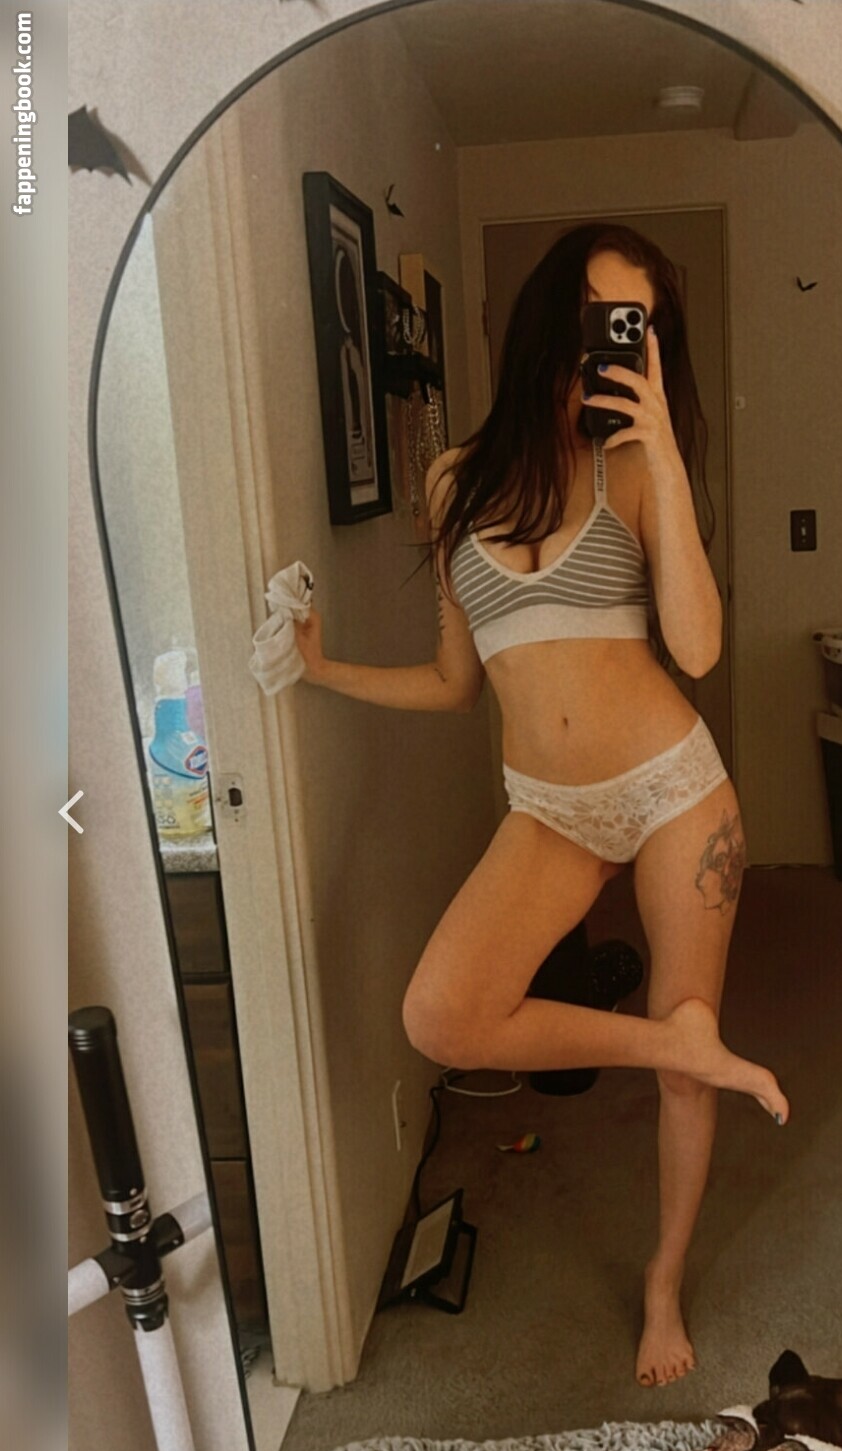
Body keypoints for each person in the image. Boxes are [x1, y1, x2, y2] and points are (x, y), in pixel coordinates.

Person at [296, 222, 789, 1389]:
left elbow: (698, 650)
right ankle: (672, 1041)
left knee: (685, 1071)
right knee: (442, 1016)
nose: (606, 345)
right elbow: (453, 682)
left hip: (672, 794)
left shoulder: (635, 472)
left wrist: (665, 454)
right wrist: (320, 670)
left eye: (634, 328)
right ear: (545, 320)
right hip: (548, 809)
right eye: (594, 318)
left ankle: (662, 1281)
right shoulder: (452, 482)